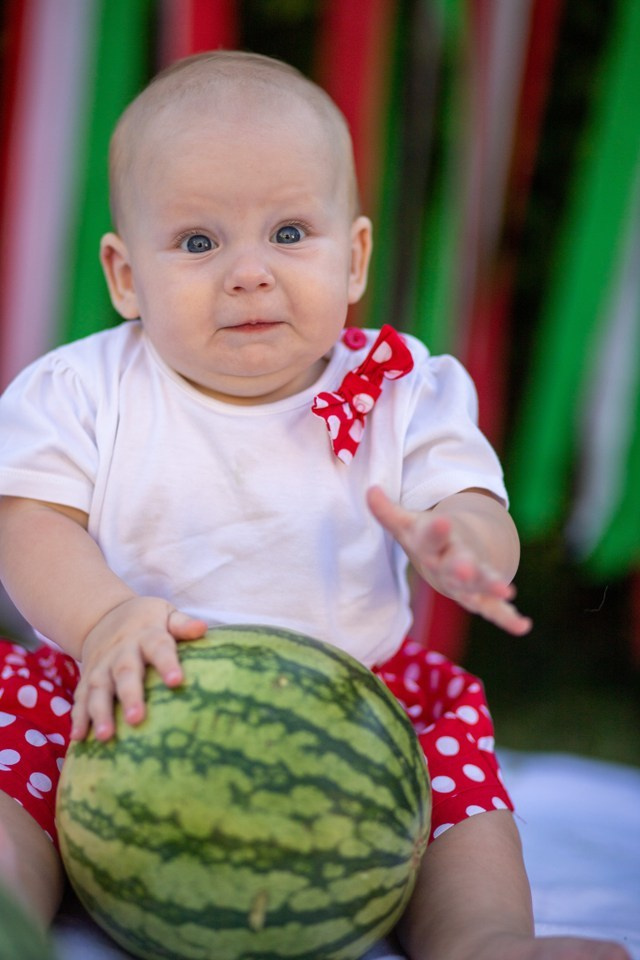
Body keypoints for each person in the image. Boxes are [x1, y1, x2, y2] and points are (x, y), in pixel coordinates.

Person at [0, 50, 628, 960]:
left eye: (290, 233)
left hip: (353, 701)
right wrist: (101, 622)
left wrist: (464, 542)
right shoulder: (81, 389)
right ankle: (12, 912)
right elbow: (30, 524)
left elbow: (464, 500)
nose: (249, 273)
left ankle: (487, 942)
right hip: (117, 688)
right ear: (125, 275)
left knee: (455, 807)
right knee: (14, 762)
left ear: (356, 256)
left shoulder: (401, 388)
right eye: (200, 242)